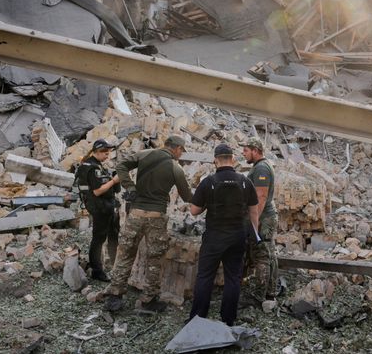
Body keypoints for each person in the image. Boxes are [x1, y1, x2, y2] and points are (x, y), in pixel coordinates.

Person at [102, 135, 193, 313]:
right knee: (155, 259)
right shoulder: (176, 168)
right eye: (182, 150)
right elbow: (187, 196)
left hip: (135, 214)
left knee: (125, 255)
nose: (181, 154)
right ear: (176, 148)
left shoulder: (144, 154)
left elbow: (121, 165)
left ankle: (115, 298)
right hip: (156, 217)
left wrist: (130, 187)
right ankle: (148, 300)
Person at [189, 144, 259, 326]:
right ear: (233, 159)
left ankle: (197, 319)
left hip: (214, 237)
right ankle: (228, 319)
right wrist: (254, 235)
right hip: (237, 236)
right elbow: (254, 212)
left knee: (205, 276)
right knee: (233, 278)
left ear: (215, 160)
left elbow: (194, 211)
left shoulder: (208, 182)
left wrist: (206, 204)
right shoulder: (245, 181)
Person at [75, 139, 121, 281]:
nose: (107, 156)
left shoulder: (93, 164)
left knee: (110, 234)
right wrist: (113, 181)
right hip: (100, 207)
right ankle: (97, 271)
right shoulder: (93, 168)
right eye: (105, 153)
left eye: (109, 153)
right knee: (98, 238)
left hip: (105, 206)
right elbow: (97, 191)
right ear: (98, 152)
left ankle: (111, 263)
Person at [241, 136, 279, 301]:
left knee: (262, 255)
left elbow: (261, 197)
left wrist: (253, 222)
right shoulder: (260, 166)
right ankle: (270, 291)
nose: (244, 154)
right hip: (265, 217)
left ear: (255, 151)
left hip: (263, 218)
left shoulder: (262, 169)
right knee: (269, 253)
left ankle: (259, 296)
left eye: (246, 150)